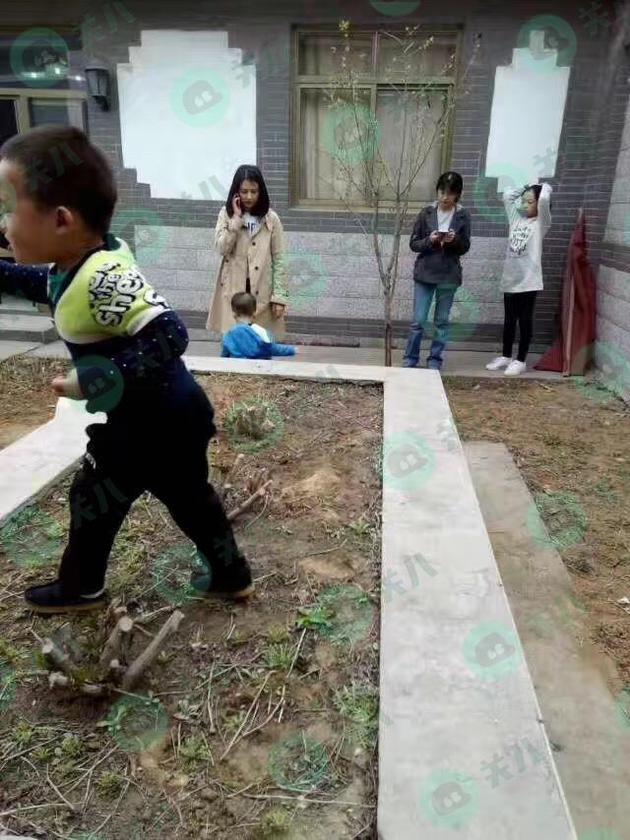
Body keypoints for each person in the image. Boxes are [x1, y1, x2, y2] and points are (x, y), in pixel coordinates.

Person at [0, 126, 253, 614]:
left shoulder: (104, 278)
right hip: (168, 415)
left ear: (60, 220)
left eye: (8, 209)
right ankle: (231, 575)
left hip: (152, 423)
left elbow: (170, 334)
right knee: (187, 498)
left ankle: (81, 588)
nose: (3, 224)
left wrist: (99, 378)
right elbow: (41, 284)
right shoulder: (78, 263)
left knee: (96, 497)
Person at [207, 165, 288, 340]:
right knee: (235, 344)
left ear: (261, 192)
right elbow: (221, 248)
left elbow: (279, 258)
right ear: (236, 192)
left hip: (262, 293)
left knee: (261, 343)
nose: (249, 197)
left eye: (254, 191)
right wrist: (236, 220)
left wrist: (279, 297)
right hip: (233, 292)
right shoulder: (226, 215)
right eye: (244, 191)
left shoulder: (271, 219)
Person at [403, 171, 471, 371]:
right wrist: (430, 240)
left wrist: (454, 240)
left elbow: (465, 246)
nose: (444, 197)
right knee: (418, 320)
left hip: (448, 274)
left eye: (450, 193)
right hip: (425, 273)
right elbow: (414, 244)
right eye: (442, 192)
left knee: (441, 321)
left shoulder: (463, 215)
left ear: (457, 194)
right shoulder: (426, 213)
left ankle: (435, 360)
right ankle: (410, 360)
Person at [486, 182, 553, 376]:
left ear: (538, 203)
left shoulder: (541, 223)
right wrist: (524, 187)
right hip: (510, 279)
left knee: (524, 320)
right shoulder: (516, 220)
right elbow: (507, 197)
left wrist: (543, 186)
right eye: (523, 201)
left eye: (529, 202)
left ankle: (521, 360)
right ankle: (506, 356)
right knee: (509, 320)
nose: (524, 205)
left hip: (529, 281)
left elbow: (544, 200)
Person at [222, 292, 296, 359]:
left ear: (234, 314)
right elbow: (273, 349)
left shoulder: (228, 335)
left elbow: (224, 356)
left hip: (237, 367)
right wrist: (292, 350)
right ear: (254, 313)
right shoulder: (262, 332)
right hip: (259, 367)